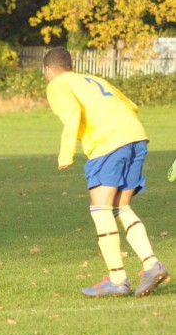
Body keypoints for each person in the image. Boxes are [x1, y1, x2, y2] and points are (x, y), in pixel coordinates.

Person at [43, 46, 168, 297]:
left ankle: (117, 278)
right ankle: (151, 264)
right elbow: (130, 105)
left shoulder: (57, 84)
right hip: (136, 136)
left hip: (109, 142)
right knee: (121, 207)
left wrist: (66, 152)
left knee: (100, 208)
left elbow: (72, 113)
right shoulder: (93, 79)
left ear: (47, 70)